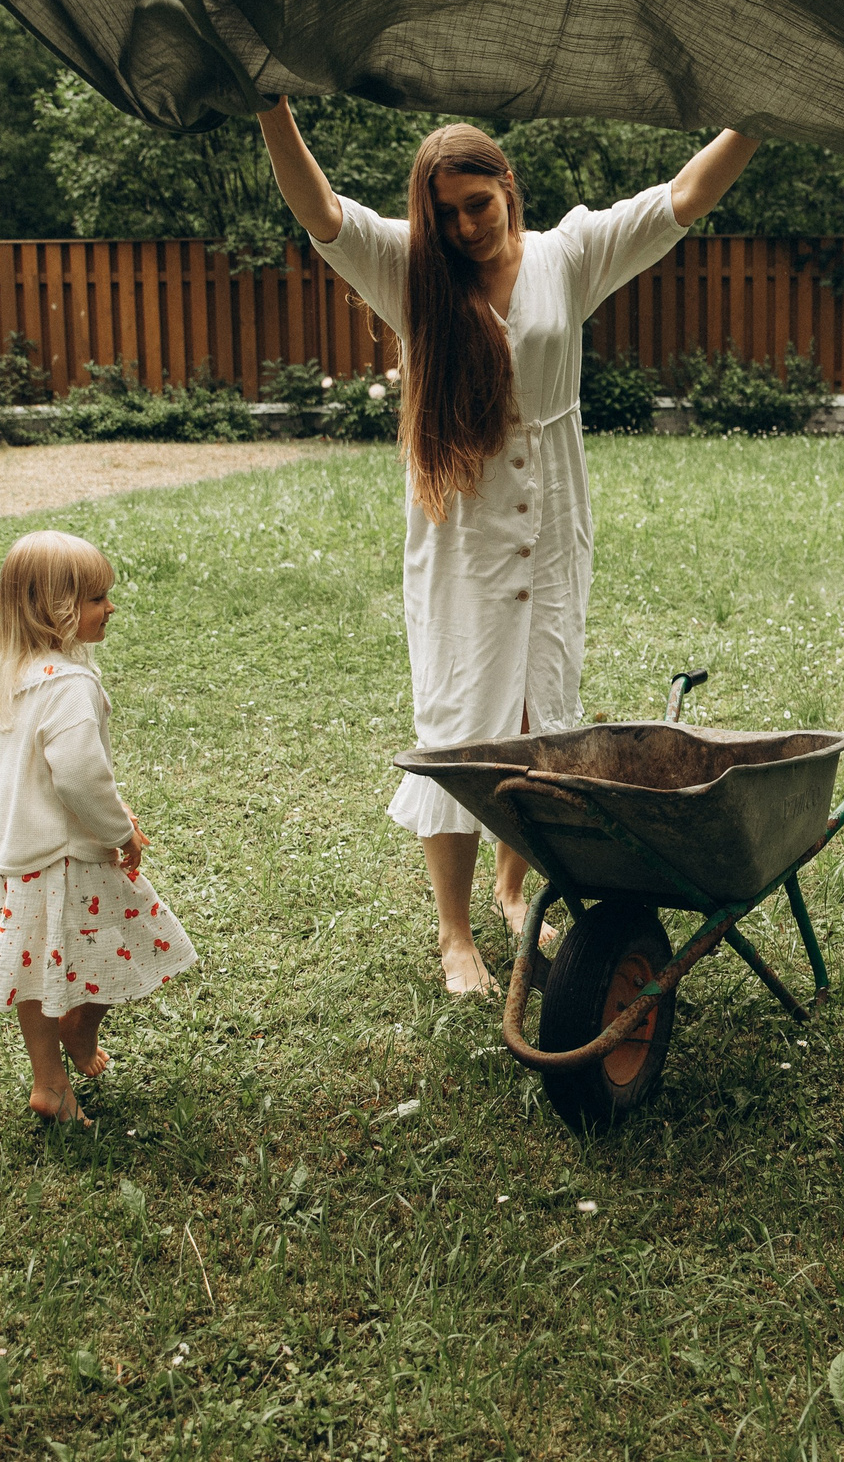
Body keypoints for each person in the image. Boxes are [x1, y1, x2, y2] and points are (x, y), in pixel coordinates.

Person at [257, 100, 760, 994]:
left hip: (556, 528)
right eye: (445, 212)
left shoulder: (567, 256)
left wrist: (758, 120)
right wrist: (273, 108)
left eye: (476, 205)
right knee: (458, 725)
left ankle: (512, 887)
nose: (461, 227)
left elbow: (682, 196)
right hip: (463, 539)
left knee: (541, 715)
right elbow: (321, 211)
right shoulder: (411, 270)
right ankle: (455, 933)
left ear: (507, 188)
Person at [0, 529, 198, 1123]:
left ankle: (50, 1080)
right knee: (120, 939)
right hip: (67, 853)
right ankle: (80, 1026)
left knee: (36, 967)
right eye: (96, 598)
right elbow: (79, 776)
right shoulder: (72, 685)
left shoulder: (23, 672)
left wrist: (110, 813)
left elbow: (39, 776)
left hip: (17, 852)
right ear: (54, 609)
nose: (111, 608)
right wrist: (118, 832)